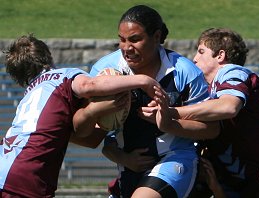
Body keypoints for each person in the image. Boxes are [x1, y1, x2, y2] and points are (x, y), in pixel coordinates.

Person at [0, 34, 161, 197]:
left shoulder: (28, 98)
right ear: (48, 56)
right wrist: (142, 81)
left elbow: (88, 139)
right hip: (26, 174)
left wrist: (93, 112)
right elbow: (88, 85)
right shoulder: (62, 75)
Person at [90, 5, 220, 198]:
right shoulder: (105, 71)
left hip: (175, 159)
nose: (127, 48)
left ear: (157, 37)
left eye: (135, 39)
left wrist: (169, 123)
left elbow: (212, 129)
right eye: (122, 40)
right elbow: (96, 135)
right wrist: (122, 157)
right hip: (127, 168)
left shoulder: (184, 71)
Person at [153, 28, 259, 198]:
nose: (194, 58)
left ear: (220, 56)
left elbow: (228, 107)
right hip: (245, 183)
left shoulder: (231, 71)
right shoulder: (205, 93)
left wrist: (171, 112)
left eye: (201, 51)